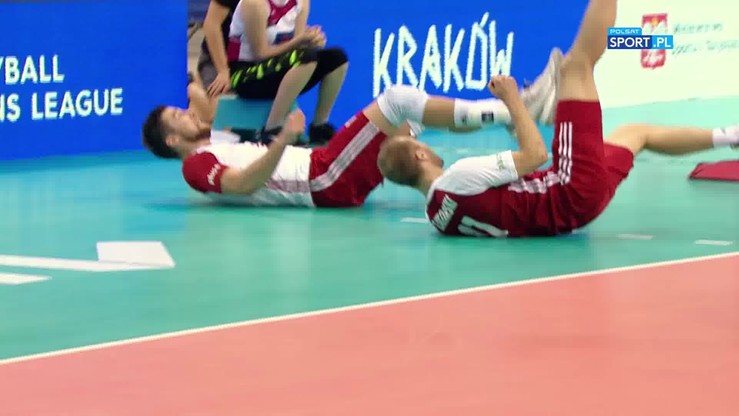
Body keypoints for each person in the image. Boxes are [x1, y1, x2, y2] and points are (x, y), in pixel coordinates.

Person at [377, 0, 739, 237]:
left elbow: (508, 199)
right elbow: (535, 155)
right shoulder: (458, 177)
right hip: (569, 187)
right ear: (421, 154)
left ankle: (730, 135)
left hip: (574, 212)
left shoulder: (436, 216)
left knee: (635, 132)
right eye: (417, 142)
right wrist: (513, 100)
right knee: (575, 66)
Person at [140, 51, 562, 208]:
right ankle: (520, 107)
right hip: (321, 177)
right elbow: (240, 184)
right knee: (396, 99)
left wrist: (194, 90)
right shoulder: (195, 165)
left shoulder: (216, 138)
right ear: (173, 141)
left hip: (325, 174)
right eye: (179, 117)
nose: (188, 113)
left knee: (413, 118)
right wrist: (284, 139)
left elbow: (198, 98)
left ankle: (519, 111)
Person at [228, 0, 349, 145]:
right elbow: (260, 53)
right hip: (245, 76)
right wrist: (299, 42)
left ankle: (319, 126)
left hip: (277, 69)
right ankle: (272, 129)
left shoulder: (301, 2)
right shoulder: (255, 4)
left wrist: (312, 41)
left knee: (337, 58)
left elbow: (299, 46)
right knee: (305, 58)